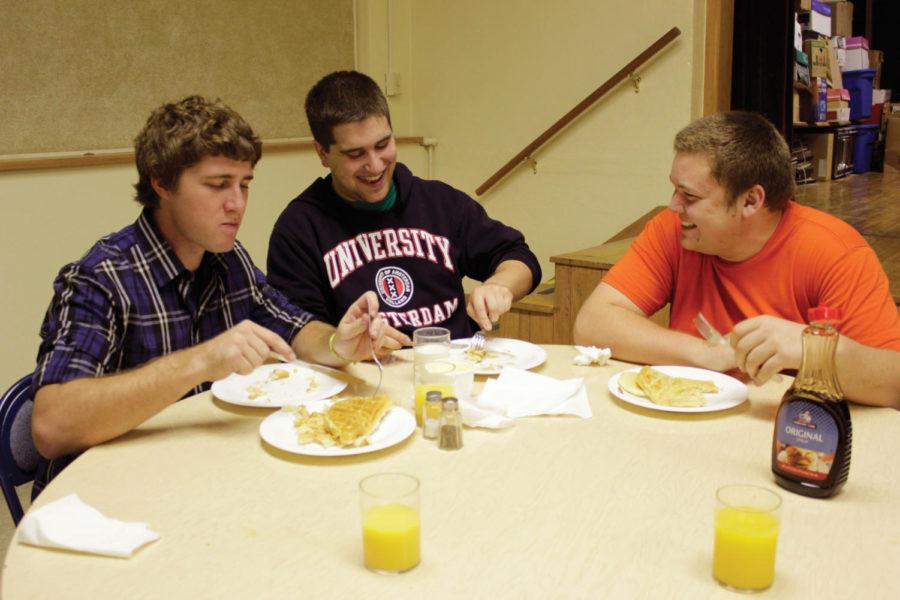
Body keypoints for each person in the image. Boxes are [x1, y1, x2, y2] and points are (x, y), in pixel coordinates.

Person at [31, 96, 400, 494]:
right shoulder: (100, 278)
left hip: (195, 478)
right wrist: (202, 361)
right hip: (105, 499)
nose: (237, 204)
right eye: (217, 185)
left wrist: (338, 344)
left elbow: (293, 326)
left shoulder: (228, 261)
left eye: (244, 185)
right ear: (162, 183)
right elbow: (52, 427)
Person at [574, 111, 900, 408]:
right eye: (675, 189)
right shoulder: (674, 230)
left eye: (690, 196)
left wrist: (814, 349)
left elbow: (892, 383)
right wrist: (704, 354)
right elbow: (592, 324)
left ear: (750, 201)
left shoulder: (834, 252)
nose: (673, 206)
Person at [266, 70, 541, 339]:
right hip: (361, 378)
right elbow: (298, 330)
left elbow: (519, 258)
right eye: (355, 153)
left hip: (448, 370)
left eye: (383, 144)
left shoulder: (440, 203)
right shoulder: (299, 227)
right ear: (323, 153)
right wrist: (345, 342)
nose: (374, 165)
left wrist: (499, 285)